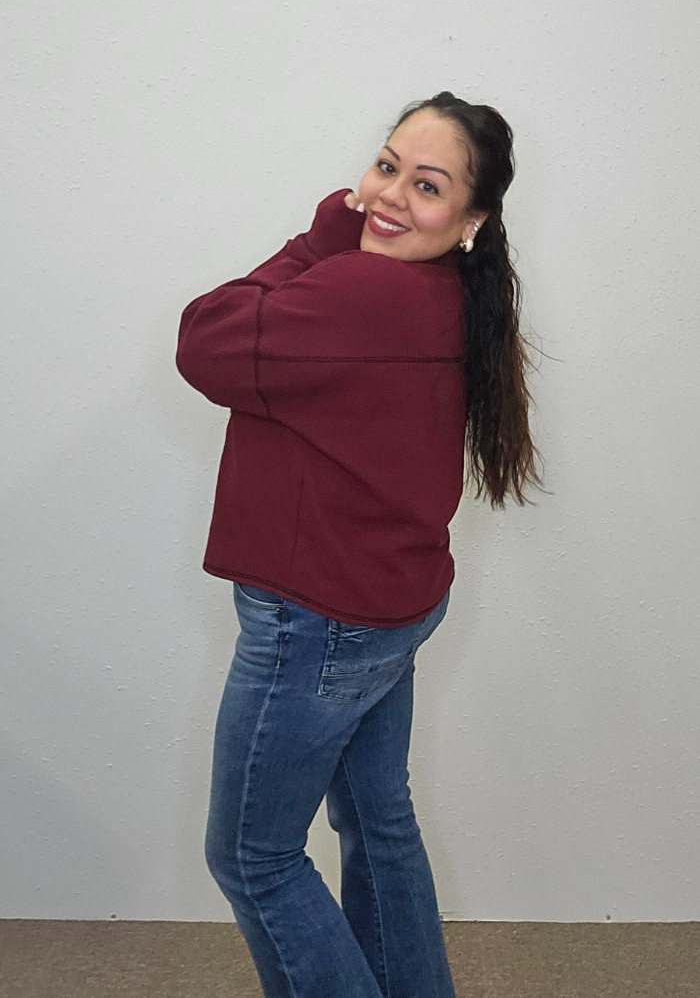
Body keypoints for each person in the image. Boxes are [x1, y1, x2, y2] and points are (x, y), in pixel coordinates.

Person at [176, 90, 545, 998]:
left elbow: (205, 340)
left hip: (319, 620)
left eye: (427, 185)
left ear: (471, 219)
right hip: (387, 606)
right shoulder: (449, 295)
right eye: (386, 167)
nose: (388, 196)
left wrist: (320, 242)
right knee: (378, 821)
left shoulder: (356, 288)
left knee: (254, 857)